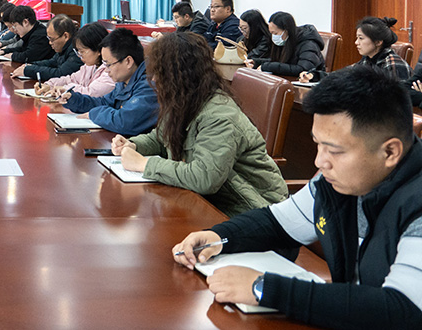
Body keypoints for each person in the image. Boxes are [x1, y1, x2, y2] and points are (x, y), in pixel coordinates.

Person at [171, 66, 422, 329]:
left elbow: (403, 310)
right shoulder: (338, 181)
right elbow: (278, 223)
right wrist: (219, 237)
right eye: (318, 144)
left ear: (390, 152)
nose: (319, 162)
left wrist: (264, 288)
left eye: (334, 151)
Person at [111, 32, 288, 217]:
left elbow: (205, 178)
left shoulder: (219, 115)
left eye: (160, 73)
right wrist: (134, 145)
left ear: (179, 75)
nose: (154, 80)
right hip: (212, 203)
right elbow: (161, 138)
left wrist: (145, 164)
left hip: (256, 212)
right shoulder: (184, 100)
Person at [59, 28, 159, 135]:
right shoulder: (124, 82)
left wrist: (94, 114)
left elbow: (125, 121)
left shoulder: (149, 85)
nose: (106, 70)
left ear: (128, 61)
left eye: (108, 64)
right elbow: (103, 102)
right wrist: (74, 99)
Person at [301, 16, 411, 86]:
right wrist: (314, 76)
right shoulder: (367, 60)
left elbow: (397, 99)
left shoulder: (393, 64)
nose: (356, 42)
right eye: (357, 38)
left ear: (378, 42)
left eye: (361, 38)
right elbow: (341, 76)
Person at [39, 22, 116, 97]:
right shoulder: (90, 66)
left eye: (82, 52)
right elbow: (71, 79)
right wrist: (49, 85)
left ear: (98, 50)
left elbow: (90, 93)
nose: (80, 56)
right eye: (78, 52)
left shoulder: (110, 71)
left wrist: (65, 89)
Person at [245, 11, 324, 77]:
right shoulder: (286, 40)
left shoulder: (308, 44)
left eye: (275, 33)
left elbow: (303, 69)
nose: (273, 36)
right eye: (271, 33)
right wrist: (257, 62)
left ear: (286, 31)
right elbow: (280, 61)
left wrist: (268, 66)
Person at [12, 14, 81, 81]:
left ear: (66, 36)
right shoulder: (64, 46)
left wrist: (29, 70)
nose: (50, 43)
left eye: (52, 39)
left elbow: (60, 74)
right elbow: (52, 62)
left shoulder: (77, 49)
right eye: (49, 39)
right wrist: (30, 65)